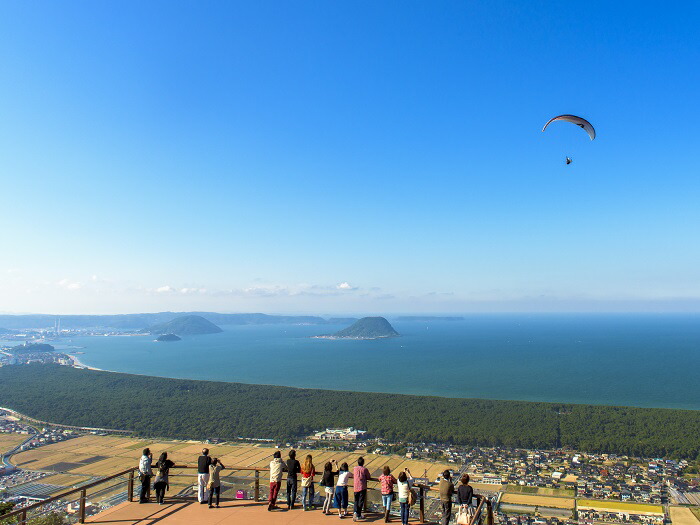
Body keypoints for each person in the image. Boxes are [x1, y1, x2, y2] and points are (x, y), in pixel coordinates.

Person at [353, 456, 371, 521]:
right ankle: (358, 514)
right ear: (363, 463)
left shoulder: (354, 468)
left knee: (356, 500)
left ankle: (355, 512)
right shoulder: (364, 469)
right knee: (361, 501)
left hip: (355, 487)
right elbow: (368, 477)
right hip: (362, 487)